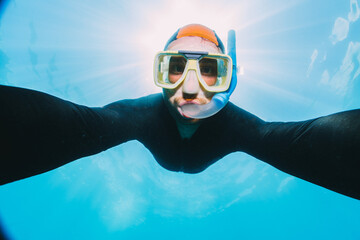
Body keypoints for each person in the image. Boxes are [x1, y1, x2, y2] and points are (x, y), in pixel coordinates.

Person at [0, 24, 359, 201]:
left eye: (209, 70)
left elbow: (304, 142)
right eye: (174, 66)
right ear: (157, 73)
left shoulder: (240, 127)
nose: (189, 88)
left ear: (227, 77)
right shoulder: (137, 115)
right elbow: (70, 124)